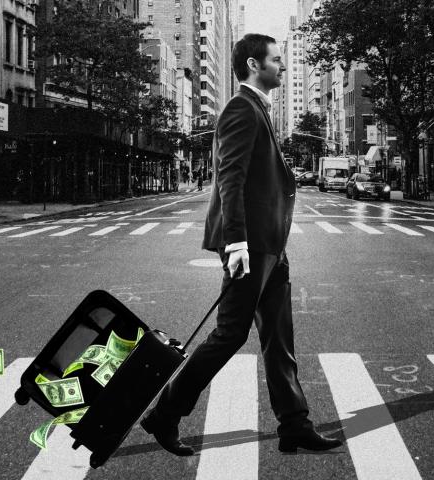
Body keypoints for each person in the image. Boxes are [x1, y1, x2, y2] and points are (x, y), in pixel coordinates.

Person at [140, 33, 342, 456]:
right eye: (277, 61)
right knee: (230, 335)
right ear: (254, 64)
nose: (282, 67)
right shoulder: (240, 109)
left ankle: (294, 424)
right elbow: (228, 178)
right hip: (250, 245)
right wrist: (236, 245)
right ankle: (164, 415)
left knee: (278, 336)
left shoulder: (258, 110)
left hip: (272, 246)